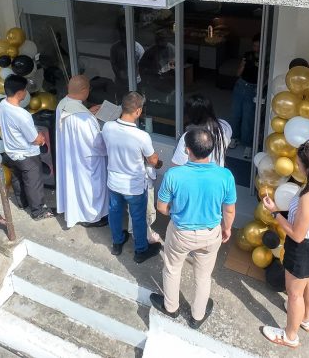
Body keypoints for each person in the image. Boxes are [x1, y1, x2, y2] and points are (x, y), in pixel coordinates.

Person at [151, 127, 236, 329]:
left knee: (172, 269)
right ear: (212, 149)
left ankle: (171, 307)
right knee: (203, 276)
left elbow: (161, 207)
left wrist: (175, 212)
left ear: (187, 149)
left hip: (181, 232)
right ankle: (197, 316)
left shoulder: (174, 174)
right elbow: (229, 210)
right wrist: (227, 228)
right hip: (211, 233)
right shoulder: (225, 176)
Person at [260, 141, 309, 349]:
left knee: (294, 294)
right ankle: (306, 319)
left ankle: (290, 336)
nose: (296, 167)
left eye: (298, 164)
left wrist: (275, 212)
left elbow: (297, 235)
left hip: (305, 249)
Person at [102, 92, 162, 263]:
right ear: (138, 111)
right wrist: (157, 161)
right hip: (134, 186)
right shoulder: (141, 136)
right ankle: (141, 250)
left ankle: (117, 242)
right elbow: (152, 160)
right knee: (138, 218)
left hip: (114, 182)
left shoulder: (108, 127)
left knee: (115, 212)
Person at [55, 75, 109, 229]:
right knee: (89, 187)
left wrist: (89, 112)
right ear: (85, 90)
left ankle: (76, 212)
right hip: (87, 160)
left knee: (74, 186)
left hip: (70, 154)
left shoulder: (63, 104)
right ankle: (91, 217)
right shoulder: (83, 117)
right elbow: (96, 144)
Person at [0, 75, 54, 220]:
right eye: (25, 90)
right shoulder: (22, 115)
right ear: (19, 93)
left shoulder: (3, 104)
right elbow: (35, 140)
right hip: (27, 155)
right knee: (33, 182)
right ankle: (38, 211)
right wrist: (41, 138)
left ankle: (22, 203)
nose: (26, 93)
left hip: (11, 151)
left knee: (17, 177)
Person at [170, 95, 232, 168]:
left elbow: (176, 166)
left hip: (196, 174)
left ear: (191, 115)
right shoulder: (225, 125)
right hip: (217, 172)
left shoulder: (189, 136)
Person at [228, 35, 260, 160]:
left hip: (253, 88)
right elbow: (238, 73)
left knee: (248, 117)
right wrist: (243, 65)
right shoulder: (248, 55)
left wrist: (260, 88)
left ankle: (248, 144)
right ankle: (234, 138)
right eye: (254, 45)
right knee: (235, 114)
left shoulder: (266, 58)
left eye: (258, 46)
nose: (256, 48)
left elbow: (266, 75)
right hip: (241, 85)